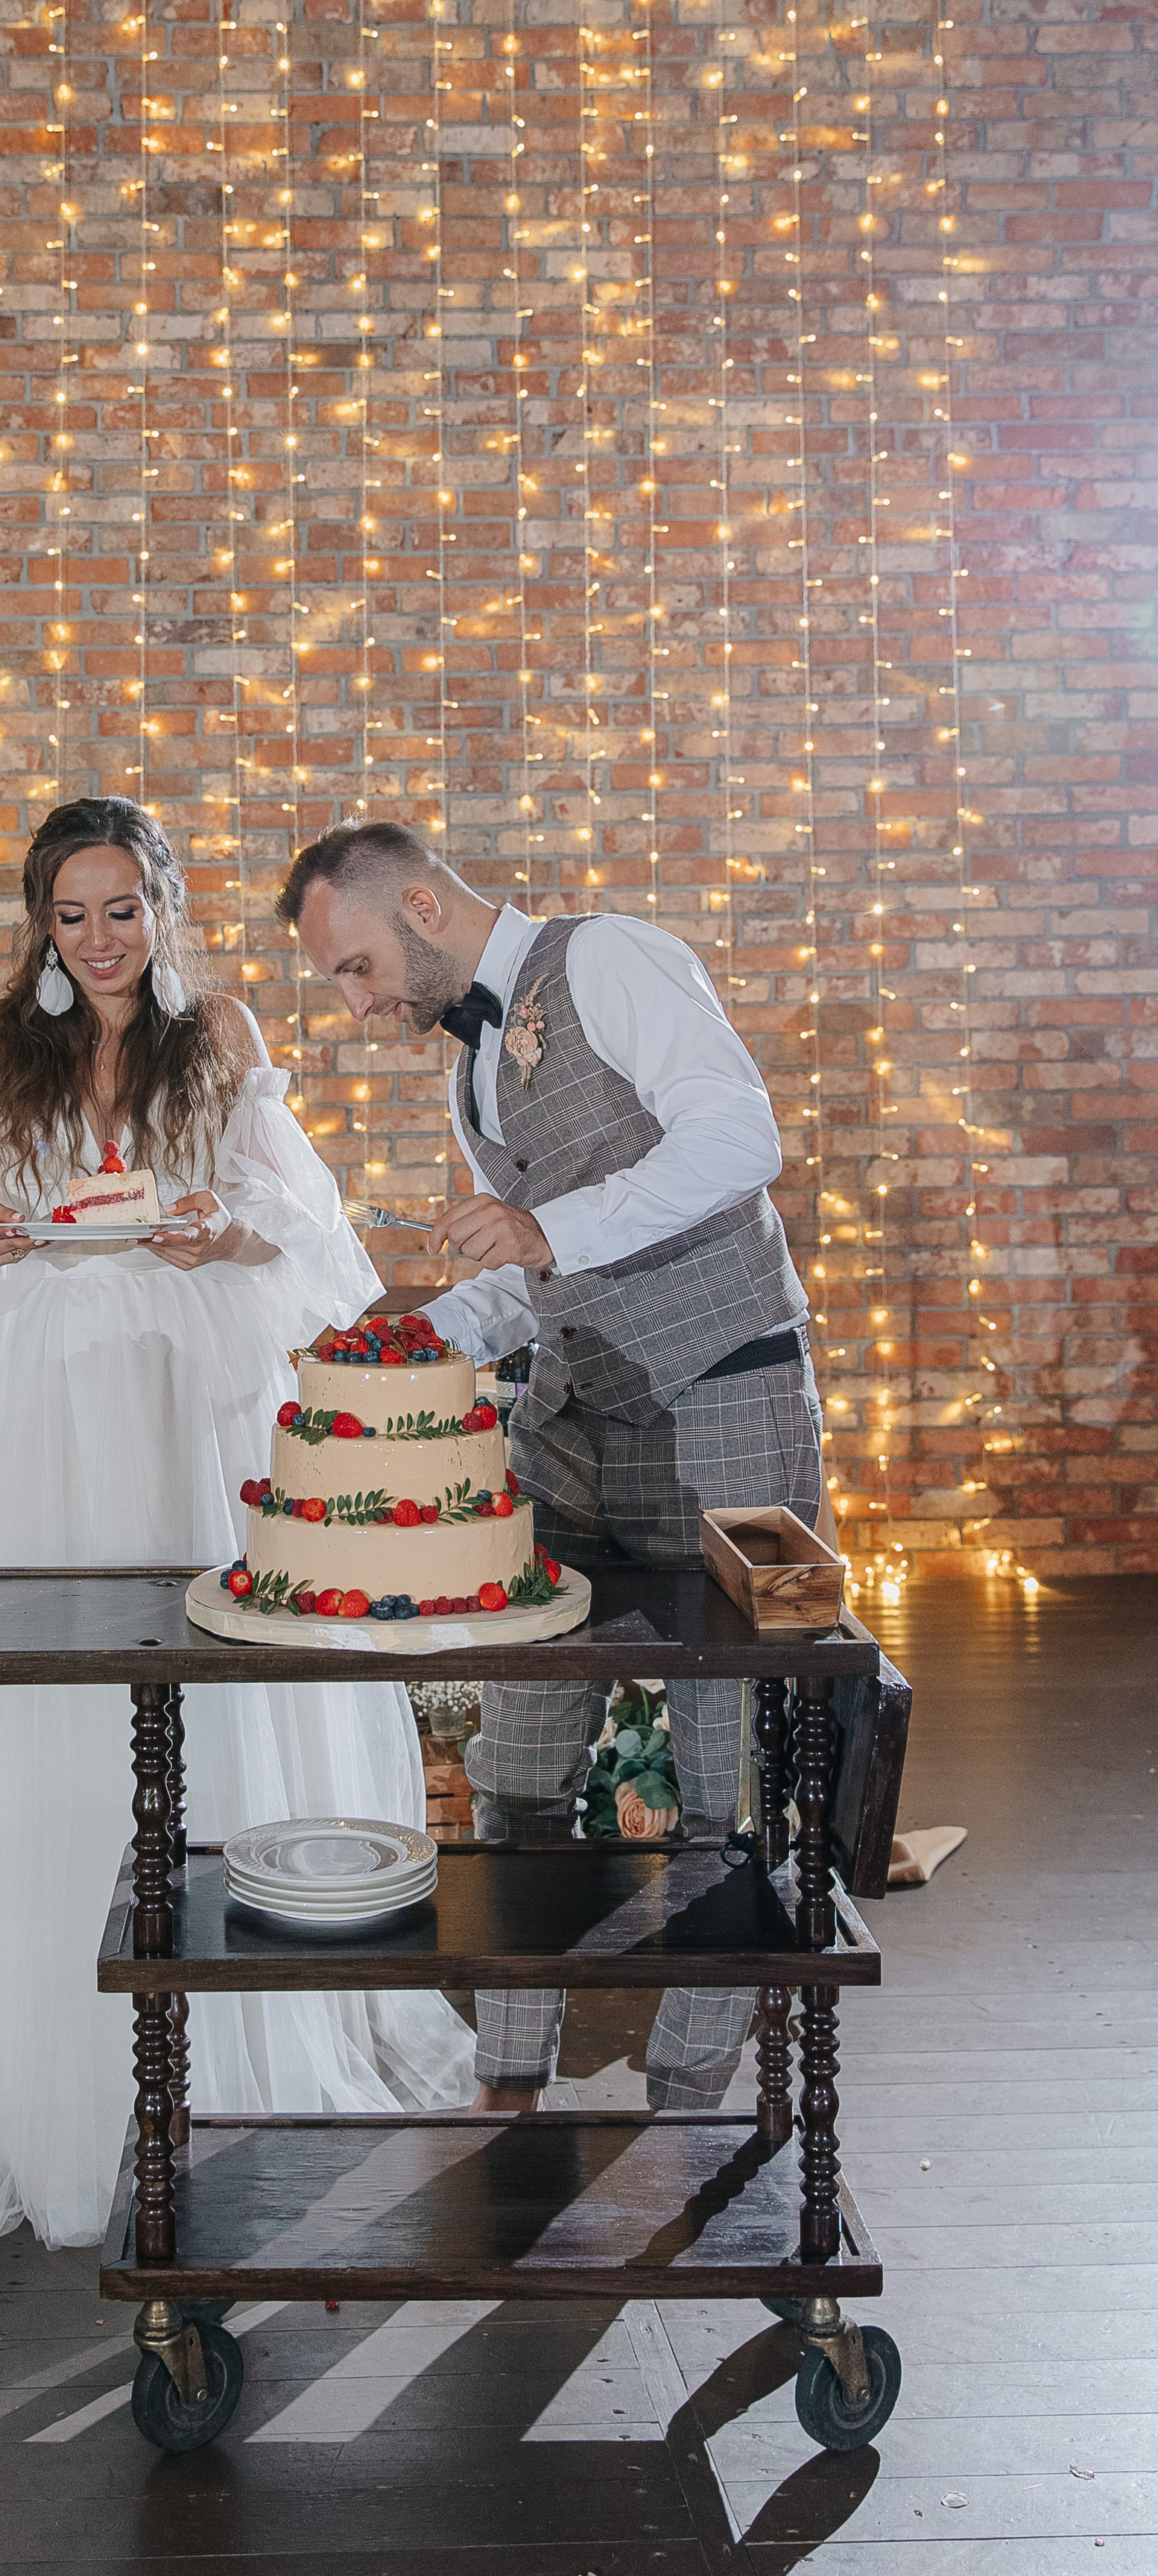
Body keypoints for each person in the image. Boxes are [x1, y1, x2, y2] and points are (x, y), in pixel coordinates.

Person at [0, 798, 473, 2255]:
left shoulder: (223, 1038)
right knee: (46, 1681)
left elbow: (307, 1236)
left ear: (162, 907)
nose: (98, 940)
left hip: (176, 1385)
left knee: (201, 1666)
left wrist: (222, 1232)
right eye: (71, 915)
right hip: (37, 1393)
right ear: (42, 922)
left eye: (122, 909)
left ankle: (236, 2021)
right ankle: (36, 2029)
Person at [279, 820, 823, 2118]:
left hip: (723, 1398)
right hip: (573, 1428)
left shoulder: (615, 960)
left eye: (357, 969)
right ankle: (507, 2077)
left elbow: (741, 1140)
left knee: (722, 1775)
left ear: (419, 902)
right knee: (519, 1764)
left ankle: (693, 2093)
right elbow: (534, 1281)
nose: (357, 1007)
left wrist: (545, 1225)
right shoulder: (471, 1067)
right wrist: (428, 1333)